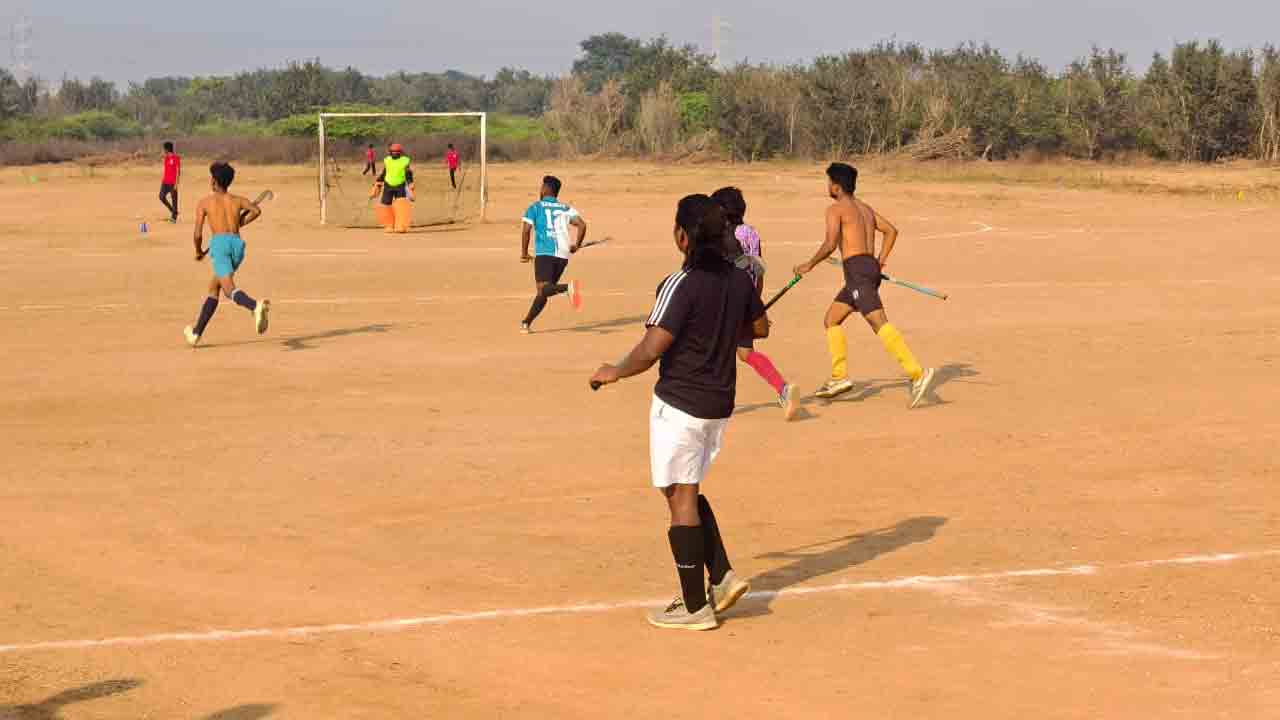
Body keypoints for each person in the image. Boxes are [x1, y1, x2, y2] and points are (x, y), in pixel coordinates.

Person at [591, 194, 767, 631]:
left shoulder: (679, 283)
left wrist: (614, 370)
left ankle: (694, 607)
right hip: (718, 404)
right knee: (686, 488)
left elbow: (652, 348)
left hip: (681, 402)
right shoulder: (738, 281)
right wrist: (735, 319)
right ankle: (722, 577)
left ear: (682, 237)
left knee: (678, 496)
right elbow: (760, 328)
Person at [793, 163, 936, 407]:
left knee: (877, 322)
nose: (827, 186)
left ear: (836, 186)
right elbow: (891, 231)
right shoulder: (865, 209)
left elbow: (829, 244)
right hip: (865, 269)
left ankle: (917, 373)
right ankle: (839, 377)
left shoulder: (835, 209)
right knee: (831, 320)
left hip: (857, 271)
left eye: (828, 182)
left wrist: (809, 264)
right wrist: (879, 262)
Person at [711, 186, 798, 421]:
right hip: (747, 295)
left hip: (726, 299)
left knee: (713, 348)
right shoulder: (751, 233)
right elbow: (758, 271)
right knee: (745, 352)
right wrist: (755, 305)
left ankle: (713, 402)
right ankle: (782, 388)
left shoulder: (723, 235)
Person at [183, 162, 271, 347]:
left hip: (220, 246)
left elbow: (198, 234)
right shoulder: (237, 200)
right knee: (214, 288)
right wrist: (240, 223)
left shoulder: (204, 203)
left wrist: (198, 251)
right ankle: (196, 333)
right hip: (237, 246)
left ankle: (254, 306)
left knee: (229, 289)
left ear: (214, 181)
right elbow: (256, 210)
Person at [519, 175, 585, 333]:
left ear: (546, 189)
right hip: (563, 254)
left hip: (545, 252)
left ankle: (568, 288)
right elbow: (582, 225)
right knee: (545, 290)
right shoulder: (565, 208)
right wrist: (577, 245)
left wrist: (524, 252)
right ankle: (526, 322)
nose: (540, 189)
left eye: (542, 186)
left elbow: (526, 230)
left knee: (544, 289)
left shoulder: (535, 207)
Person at [373, 143, 414, 207]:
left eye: (396, 152)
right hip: (388, 185)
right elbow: (384, 172)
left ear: (400, 152)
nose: (394, 153)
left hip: (400, 186)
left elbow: (408, 173)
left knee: (400, 206)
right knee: (385, 205)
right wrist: (378, 181)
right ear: (390, 152)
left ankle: (399, 216)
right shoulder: (387, 160)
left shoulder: (404, 161)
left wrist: (410, 183)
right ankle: (387, 216)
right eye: (393, 151)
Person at [159, 141, 181, 223]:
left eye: (164, 149)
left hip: (173, 183)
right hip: (165, 182)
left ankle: (174, 218)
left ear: (167, 149)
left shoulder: (176, 158)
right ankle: (173, 210)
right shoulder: (166, 158)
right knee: (161, 197)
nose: (163, 151)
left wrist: (176, 183)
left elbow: (178, 171)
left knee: (174, 200)